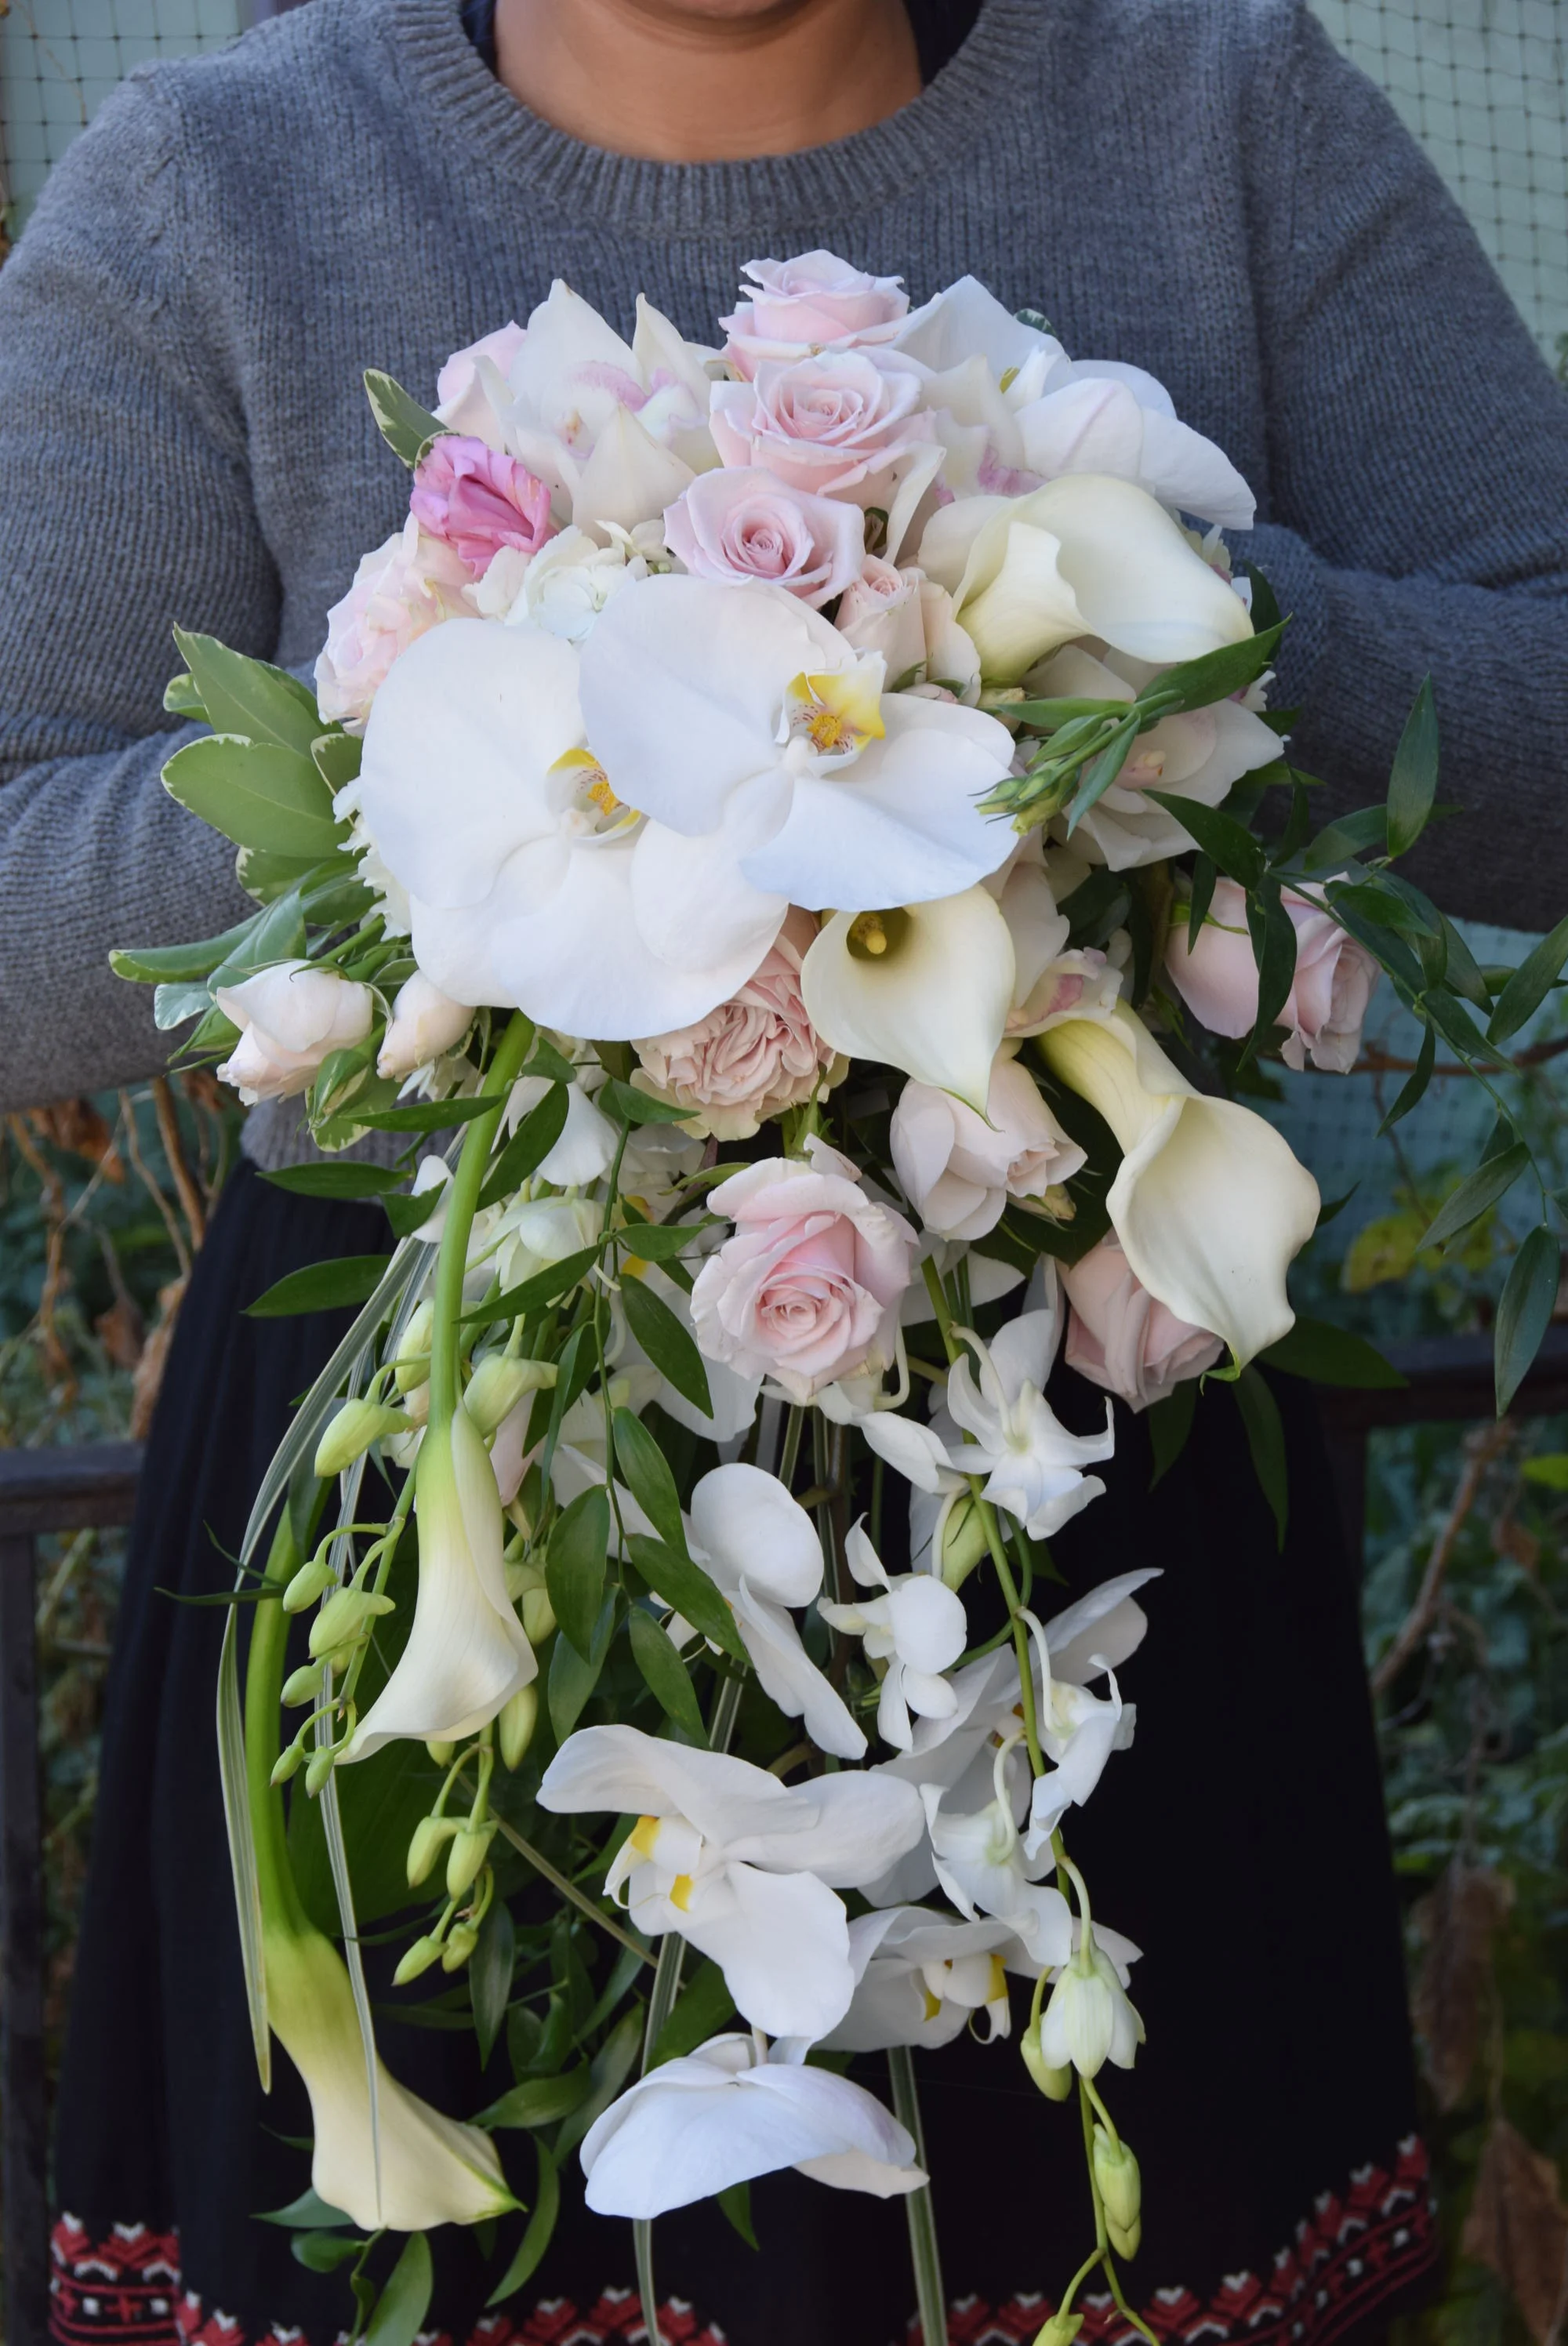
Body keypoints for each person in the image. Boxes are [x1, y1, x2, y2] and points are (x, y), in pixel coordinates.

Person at [3, 2, 1566, 2342]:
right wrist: (505, 732)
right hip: (449, 1494)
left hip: (1073, 1530)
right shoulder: (221, 179)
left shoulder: (1216, 112)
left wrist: (1138, 612)